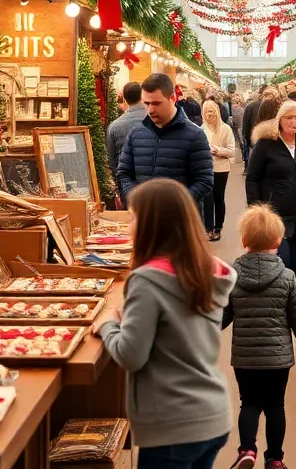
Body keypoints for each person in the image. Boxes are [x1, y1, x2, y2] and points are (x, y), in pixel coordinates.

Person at [93, 178, 237, 469]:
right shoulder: (203, 270)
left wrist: (108, 323)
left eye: (133, 217)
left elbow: (131, 355)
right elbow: (175, 320)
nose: (129, 224)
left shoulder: (147, 280)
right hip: (212, 415)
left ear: (152, 225)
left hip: (173, 423)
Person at [223, 205, 296, 469]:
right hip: (278, 358)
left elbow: (223, 315)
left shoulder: (233, 276)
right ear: (278, 241)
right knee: (276, 406)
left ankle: (247, 451)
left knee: (249, 404)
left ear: (243, 241)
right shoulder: (286, 277)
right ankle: (274, 459)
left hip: (245, 358)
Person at [117, 73, 214, 205]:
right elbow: (124, 173)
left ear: (172, 98)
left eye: (156, 103)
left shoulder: (195, 135)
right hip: (143, 218)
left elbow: (204, 180)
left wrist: (174, 206)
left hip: (180, 221)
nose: (150, 110)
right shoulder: (135, 133)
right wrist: (134, 199)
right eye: (146, 103)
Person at [246, 101, 296, 283]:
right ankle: (276, 306)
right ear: (280, 119)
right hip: (274, 216)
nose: (294, 122)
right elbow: (252, 178)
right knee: (279, 262)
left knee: (295, 265)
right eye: (289, 118)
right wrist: (256, 210)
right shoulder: (266, 144)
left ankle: (293, 303)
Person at [201, 100, 235, 242]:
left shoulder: (226, 129)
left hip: (222, 169)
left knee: (219, 198)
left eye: (211, 111)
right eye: (206, 111)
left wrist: (217, 150)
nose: (209, 114)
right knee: (207, 199)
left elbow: (232, 151)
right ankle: (208, 228)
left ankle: (218, 227)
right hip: (207, 169)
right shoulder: (201, 130)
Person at [106, 81, 146, 176]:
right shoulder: (156, 121)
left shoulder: (114, 126)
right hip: (152, 181)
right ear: (142, 96)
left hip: (126, 180)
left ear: (124, 99)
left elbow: (111, 159)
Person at [242, 86, 278, 167]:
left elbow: (245, 126)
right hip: (274, 141)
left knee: (255, 167)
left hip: (255, 140)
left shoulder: (250, 106)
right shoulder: (278, 106)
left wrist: (249, 140)